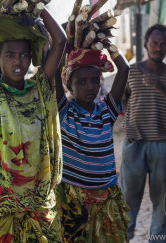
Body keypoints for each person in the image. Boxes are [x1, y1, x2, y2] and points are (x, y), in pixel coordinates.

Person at [0, 0, 67, 242]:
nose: (18, 61)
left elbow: (60, 40)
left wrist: (37, 8)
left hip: (39, 210)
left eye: (24, 55)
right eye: (10, 55)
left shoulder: (41, 90)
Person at [55, 42, 130, 242]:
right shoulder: (64, 112)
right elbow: (53, 71)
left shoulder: (107, 111)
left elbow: (124, 69)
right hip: (73, 199)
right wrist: (63, 45)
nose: (90, 87)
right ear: (69, 85)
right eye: (82, 82)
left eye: (95, 80)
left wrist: (106, 43)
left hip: (106, 197)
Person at [120, 24, 166, 242]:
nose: (158, 47)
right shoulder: (130, 71)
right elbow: (123, 99)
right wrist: (130, 121)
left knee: (161, 203)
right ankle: (123, 238)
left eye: (163, 44)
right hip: (134, 145)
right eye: (154, 43)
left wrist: (162, 87)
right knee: (127, 201)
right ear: (146, 44)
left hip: (163, 144)